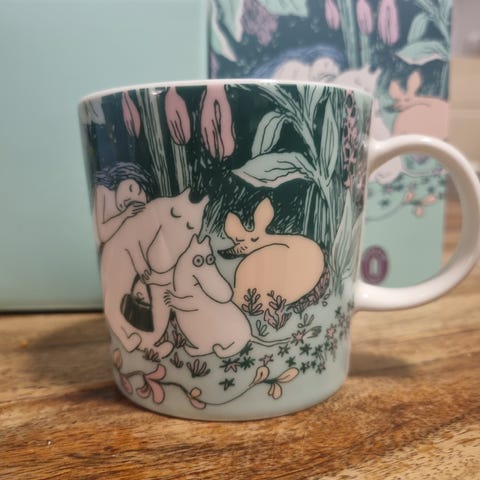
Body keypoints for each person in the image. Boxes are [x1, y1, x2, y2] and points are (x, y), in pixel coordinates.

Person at [93, 163, 153, 247]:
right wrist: (125, 214)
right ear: (125, 176)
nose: (127, 200)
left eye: (133, 203)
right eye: (130, 188)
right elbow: (102, 234)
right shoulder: (102, 191)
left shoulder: (127, 219)